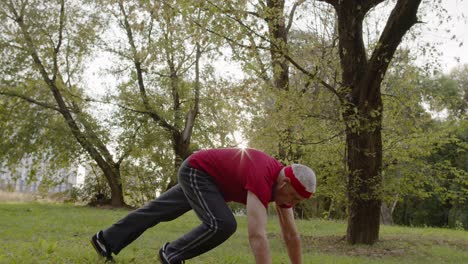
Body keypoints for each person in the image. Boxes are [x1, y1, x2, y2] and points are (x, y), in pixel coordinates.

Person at [91, 148, 316, 264]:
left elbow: (291, 236)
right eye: (294, 198)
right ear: (285, 182)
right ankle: (172, 254)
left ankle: (105, 240)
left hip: (210, 181)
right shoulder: (263, 176)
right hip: (198, 171)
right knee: (223, 223)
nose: (291, 204)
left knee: (159, 210)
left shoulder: (281, 188)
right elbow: (257, 235)